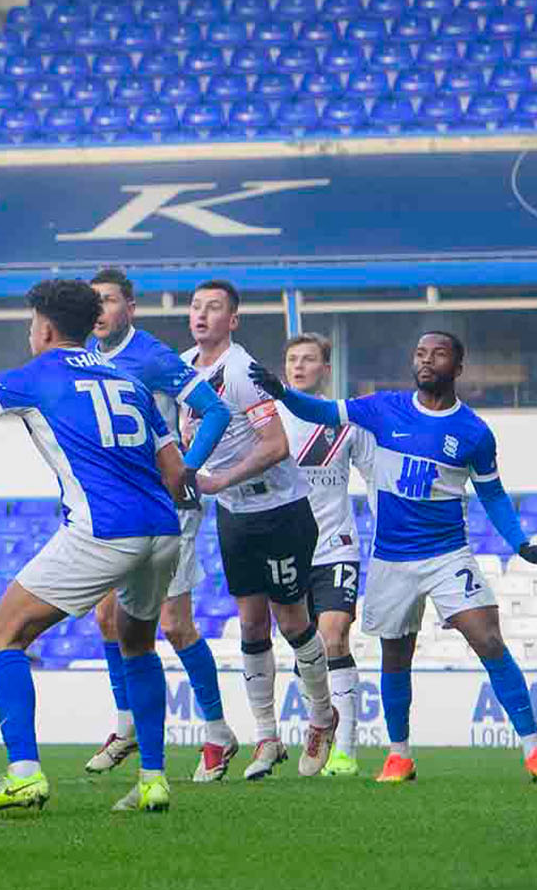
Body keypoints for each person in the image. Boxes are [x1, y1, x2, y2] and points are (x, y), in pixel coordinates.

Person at [0, 279, 190, 814]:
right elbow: (176, 475)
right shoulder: (128, 380)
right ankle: (153, 780)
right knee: (138, 643)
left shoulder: (33, 376)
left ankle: (24, 775)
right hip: (163, 529)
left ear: (45, 327)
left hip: (104, 529)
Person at [251, 331, 537, 784]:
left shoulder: (474, 432)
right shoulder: (383, 408)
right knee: (396, 657)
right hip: (391, 559)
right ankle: (399, 755)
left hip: (447, 555)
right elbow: (321, 411)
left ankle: (534, 751)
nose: (426, 361)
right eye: (420, 353)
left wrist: (521, 543)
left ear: (457, 367)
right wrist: (282, 393)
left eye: (437, 354)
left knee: (489, 640)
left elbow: (493, 494)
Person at [82, 267, 241, 782]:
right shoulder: (82, 356)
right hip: (115, 504)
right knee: (108, 619)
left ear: (131, 307)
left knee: (173, 625)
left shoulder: (149, 356)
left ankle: (216, 731)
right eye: (93, 302)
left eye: (108, 300)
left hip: (165, 504)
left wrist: (186, 470)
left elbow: (214, 411)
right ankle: (127, 725)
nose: (100, 310)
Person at [182, 280, 334, 780]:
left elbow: (275, 445)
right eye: (197, 307)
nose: (202, 315)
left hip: (279, 511)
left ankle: (320, 716)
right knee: (250, 624)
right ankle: (267, 738)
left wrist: (219, 478)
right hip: (234, 516)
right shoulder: (183, 369)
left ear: (234, 320)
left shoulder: (242, 371)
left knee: (291, 622)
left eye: (215, 308)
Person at [276, 333, 376, 776]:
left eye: (309, 359)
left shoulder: (345, 421)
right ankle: (322, 721)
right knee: (307, 649)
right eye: (292, 359)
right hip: (287, 549)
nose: (298, 366)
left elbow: (375, 482)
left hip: (336, 546)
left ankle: (347, 750)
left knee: (335, 636)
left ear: (325, 368)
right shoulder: (268, 419)